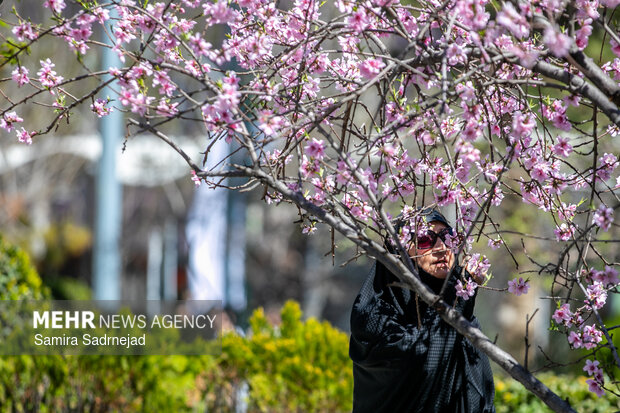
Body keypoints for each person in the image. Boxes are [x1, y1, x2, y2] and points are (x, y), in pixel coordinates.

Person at [349, 209, 495, 413]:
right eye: (425, 239)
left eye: (448, 237)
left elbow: (481, 392)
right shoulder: (373, 315)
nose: (441, 248)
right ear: (399, 251)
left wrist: (460, 299)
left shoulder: (460, 309)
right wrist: (457, 301)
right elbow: (422, 361)